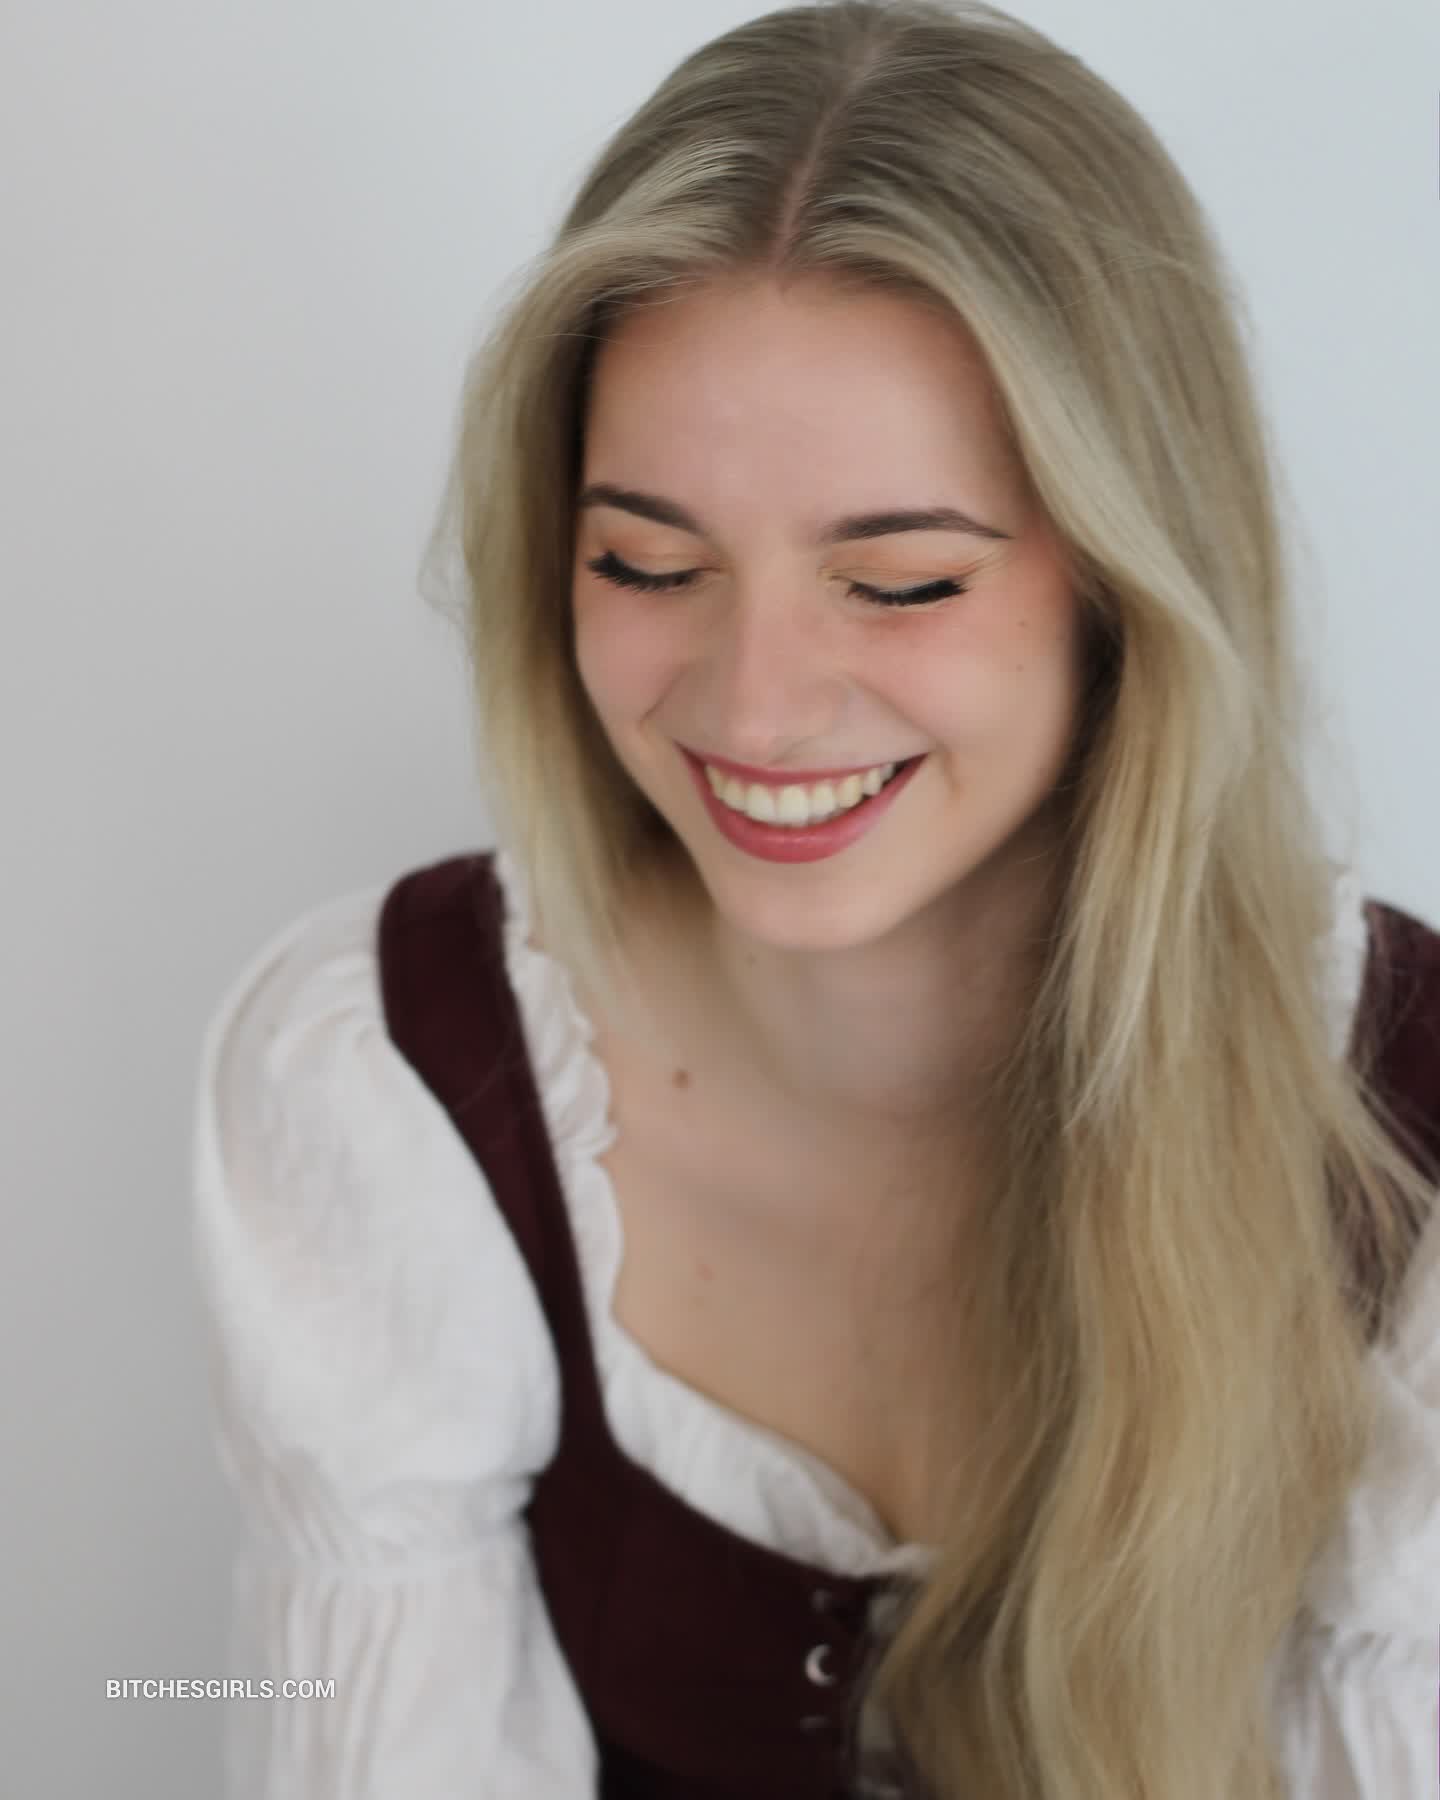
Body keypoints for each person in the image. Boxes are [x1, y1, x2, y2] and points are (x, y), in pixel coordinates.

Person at [189, 2, 1440, 1795]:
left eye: (903, 581)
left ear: (1128, 584)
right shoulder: (390, 1083)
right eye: (647, 561)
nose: (755, 707)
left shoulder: (1406, 1134)